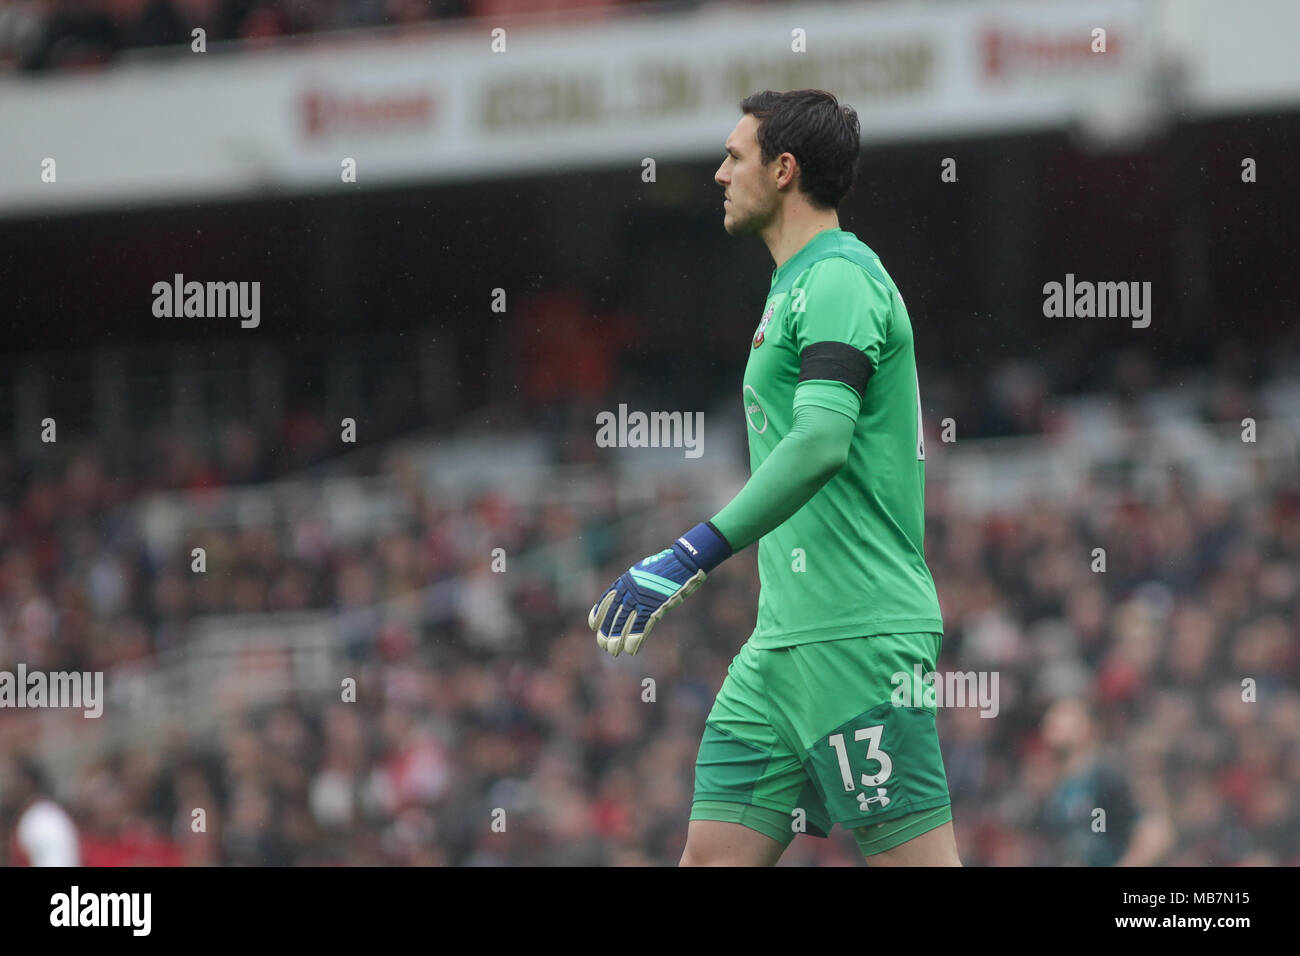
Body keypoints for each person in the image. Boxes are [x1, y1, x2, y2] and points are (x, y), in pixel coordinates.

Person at [588, 89, 959, 866]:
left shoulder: (839, 279)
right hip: (780, 646)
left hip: (860, 636)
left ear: (784, 169)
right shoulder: (792, 284)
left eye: (735, 156)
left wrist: (690, 552)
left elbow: (822, 441)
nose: (720, 174)